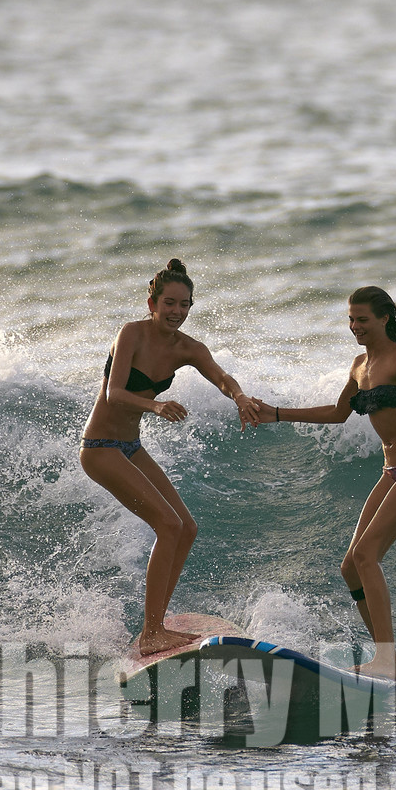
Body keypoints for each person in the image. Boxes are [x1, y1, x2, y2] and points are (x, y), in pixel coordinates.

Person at [254, 286, 396, 680]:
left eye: (363, 319)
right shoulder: (359, 366)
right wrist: (276, 413)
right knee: (350, 567)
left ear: (384, 319)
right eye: (351, 320)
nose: (355, 326)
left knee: (366, 555)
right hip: (392, 470)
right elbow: (338, 413)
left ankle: (386, 659)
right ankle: (388, 658)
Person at [80, 259, 261, 655]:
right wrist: (156, 406)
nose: (176, 312)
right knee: (167, 524)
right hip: (99, 448)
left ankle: (156, 624)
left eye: (185, 305)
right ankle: (151, 632)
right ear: (152, 302)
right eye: (169, 303)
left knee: (187, 528)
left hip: (129, 447)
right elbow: (114, 393)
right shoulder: (131, 334)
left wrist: (240, 396)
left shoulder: (188, 349)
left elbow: (221, 377)